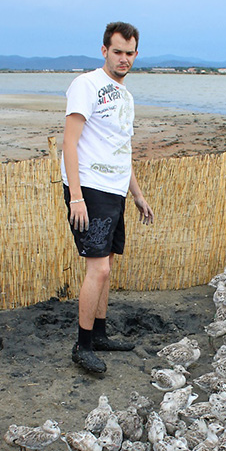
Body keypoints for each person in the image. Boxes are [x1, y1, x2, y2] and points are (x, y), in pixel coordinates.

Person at [61, 21, 154, 374]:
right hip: (89, 187)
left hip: (115, 189)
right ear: (104, 51)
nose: (123, 59)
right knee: (97, 268)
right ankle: (82, 346)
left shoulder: (126, 96)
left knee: (108, 265)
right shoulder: (86, 85)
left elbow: (121, 149)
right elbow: (69, 142)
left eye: (129, 53)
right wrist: (76, 196)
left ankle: (99, 334)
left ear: (136, 54)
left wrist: (137, 194)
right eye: (117, 52)